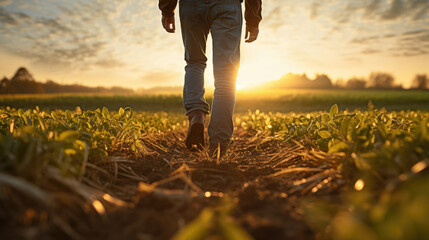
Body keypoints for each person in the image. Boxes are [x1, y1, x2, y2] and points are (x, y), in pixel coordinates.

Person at [159, 0, 262, 159]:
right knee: (226, 75)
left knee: (194, 62)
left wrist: (167, 10)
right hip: (228, 5)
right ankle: (218, 146)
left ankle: (196, 115)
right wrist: (253, 19)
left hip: (190, 5)